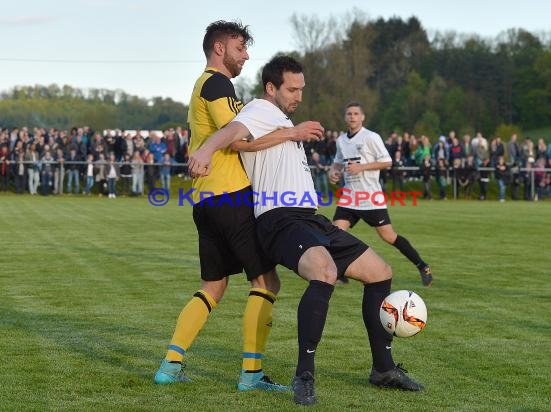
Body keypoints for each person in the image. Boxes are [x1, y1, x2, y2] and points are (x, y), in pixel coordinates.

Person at [188, 55, 424, 406]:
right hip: (278, 219)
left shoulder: (281, 120)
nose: (299, 95)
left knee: (380, 273)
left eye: (301, 89)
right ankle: (304, 374)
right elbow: (232, 133)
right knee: (324, 272)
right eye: (292, 89)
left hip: (310, 218)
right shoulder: (260, 109)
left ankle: (383, 369)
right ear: (271, 88)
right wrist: (206, 149)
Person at [154, 21, 323, 391]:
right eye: (240, 48)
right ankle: (251, 375)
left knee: (213, 286)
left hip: (205, 198)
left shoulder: (203, 85)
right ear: (219, 48)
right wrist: (292, 132)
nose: (245, 55)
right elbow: (238, 140)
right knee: (267, 280)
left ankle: (170, 365)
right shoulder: (217, 83)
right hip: (232, 194)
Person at [329, 102, 432, 287]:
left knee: (388, 236)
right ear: (345, 118)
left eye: (355, 113)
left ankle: (423, 266)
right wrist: (333, 172)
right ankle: (341, 271)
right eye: (349, 114)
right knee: (335, 233)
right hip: (350, 197)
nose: (352, 117)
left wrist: (362, 167)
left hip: (370, 198)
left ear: (362, 117)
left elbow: (387, 162)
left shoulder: (371, 137)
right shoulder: (341, 140)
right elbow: (337, 163)